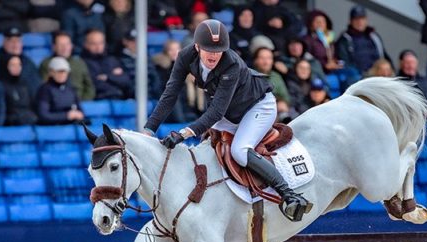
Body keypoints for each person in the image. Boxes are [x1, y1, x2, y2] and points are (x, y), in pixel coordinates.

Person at [144, 19, 311, 222]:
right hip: (229, 111)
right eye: (208, 49)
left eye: (219, 49)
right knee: (206, 148)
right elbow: (170, 95)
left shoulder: (231, 63)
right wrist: (148, 130)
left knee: (239, 151)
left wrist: (183, 133)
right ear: (197, 47)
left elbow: (215, 112)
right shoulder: (185, 56)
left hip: (257, 107)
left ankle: (289, 195)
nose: (214, 54)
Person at [335, 5, 392, 76]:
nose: (360, 22)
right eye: (356, 19)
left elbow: (384, 56)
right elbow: (345, 63)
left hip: (379, 75)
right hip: (358, 78)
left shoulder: (374, 36)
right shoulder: (345, 39)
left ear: (366, 20)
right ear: (350, 21)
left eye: (362, 18)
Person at [39, 31, 96, 101]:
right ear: (54, 47)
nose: (64, 48)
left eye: (67, 44)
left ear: (71, 46)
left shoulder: (79, 63)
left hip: (81, 102)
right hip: (58, 103)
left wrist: (83, 101)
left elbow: (89, 86)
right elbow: (45, 87)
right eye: (61, 45)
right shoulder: (47, 63)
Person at [82, 28, 130, 100]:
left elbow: (125, 80)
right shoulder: (83, 63)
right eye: (94, 44)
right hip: (98, 101)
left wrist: (107, 77)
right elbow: (94, 84)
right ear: (86, 45)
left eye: (101, 43)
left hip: (119, 98)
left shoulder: (112, 60)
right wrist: (114, 78)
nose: (98, 47)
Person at [36, 57, 86, 125]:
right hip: (53, 127)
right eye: (59, 71)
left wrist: (77, 115)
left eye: (64, 71)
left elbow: (80, 111)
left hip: (71, 125)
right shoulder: (45, 90)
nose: (62, 74)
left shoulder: (71, 88)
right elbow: (43, 115)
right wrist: (66, 116)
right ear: (51, 72)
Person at [0, 27, 42, 93]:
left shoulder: (27, 62)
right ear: (4, 42)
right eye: (12, 41)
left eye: (18, 41)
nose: (15, 45)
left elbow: (36, 85)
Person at [119, 29, 162, 99]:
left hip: (152, 97)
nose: (136, 44)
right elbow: (126, 83)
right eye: (132, 41)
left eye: (138, 41)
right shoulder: (119, 59)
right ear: (125, 42)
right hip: (132, 99)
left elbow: (155, 78)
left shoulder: (147, 58)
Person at [0, 54, 38, 125]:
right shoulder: (0, 85)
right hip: (10, 123)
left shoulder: (26, 84)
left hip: (28, 120)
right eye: (13, 65)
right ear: (6, 66)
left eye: (19, 65)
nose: (16, 67)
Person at [397, 50, 427, 114]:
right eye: (407, 63)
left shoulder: (424, 81)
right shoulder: (396, 82)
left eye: (413, 63)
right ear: (401, 64)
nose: (410, 66)